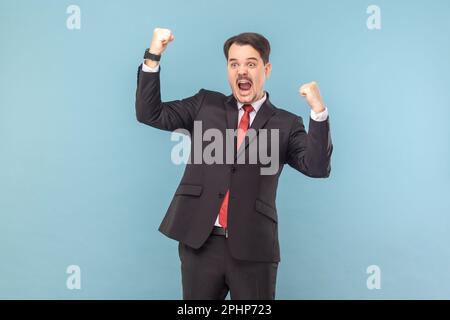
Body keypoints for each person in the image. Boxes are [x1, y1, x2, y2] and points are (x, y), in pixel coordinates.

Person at [135, 28, 333, 300]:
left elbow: (317, 167)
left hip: (255, 247)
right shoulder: (205, 104)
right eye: (234, 64)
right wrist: (153, 54)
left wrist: (318, 112)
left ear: (267, 69)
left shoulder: (286, 124)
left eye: (251, 64)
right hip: (200, 242)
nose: (242, 71)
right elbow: (150, 113)